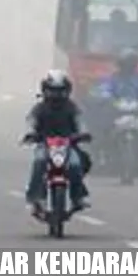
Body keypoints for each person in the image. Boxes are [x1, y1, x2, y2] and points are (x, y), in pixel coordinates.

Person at [22, 70, 91, 214]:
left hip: (68, 145)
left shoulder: (72, 107)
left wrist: (82, 133)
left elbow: (80, 121)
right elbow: (31, 121)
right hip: (45, 144)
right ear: (45, 90)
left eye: (60, 91)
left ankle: (78, 196)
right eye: (52, 91)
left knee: (75, 165)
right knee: (39, 161)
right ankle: (34, 197)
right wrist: (31, 134)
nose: (56, 95)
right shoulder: (40, 108)